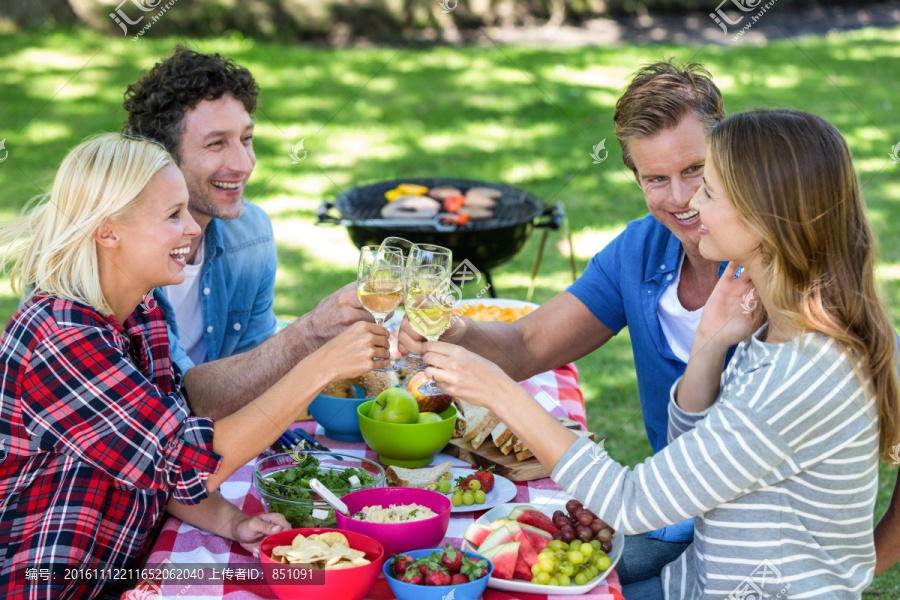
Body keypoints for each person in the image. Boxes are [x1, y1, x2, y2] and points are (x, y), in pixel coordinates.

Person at [420, 109, 900, 598]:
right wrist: (709, 346)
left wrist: (501, 394)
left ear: (764, 215)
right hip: (693, 580)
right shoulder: (775, 329)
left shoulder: (802, 372)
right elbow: (689, 446)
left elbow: (630, 503)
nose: (692, 204)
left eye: (707, 188)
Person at [0, 134, 391, 599]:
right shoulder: (61, 338)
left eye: (187, 210)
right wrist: (319, 368)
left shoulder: (142, 311)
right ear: (108, 233)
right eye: (172, 215)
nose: (192, 228)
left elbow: (161, 462)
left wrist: (232, 521)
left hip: (119, 572)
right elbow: (192, 463)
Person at [401, 59, 726, 581]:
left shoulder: (774, 265)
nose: (681, 197)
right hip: (668, 514)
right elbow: (529, 345)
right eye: (656, 179)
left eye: (696, 171)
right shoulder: (641, 250)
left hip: (739, 532)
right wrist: (455, 332)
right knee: (490, 559)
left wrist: (872, 555)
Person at [123, 46, 371, 419]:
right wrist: (309, 332)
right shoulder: (112, 254)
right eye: (216, 143)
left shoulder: (250, 233)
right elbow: (181, 401)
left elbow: (258, 373)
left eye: (246, 139)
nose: (243, 164)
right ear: (162, 155)